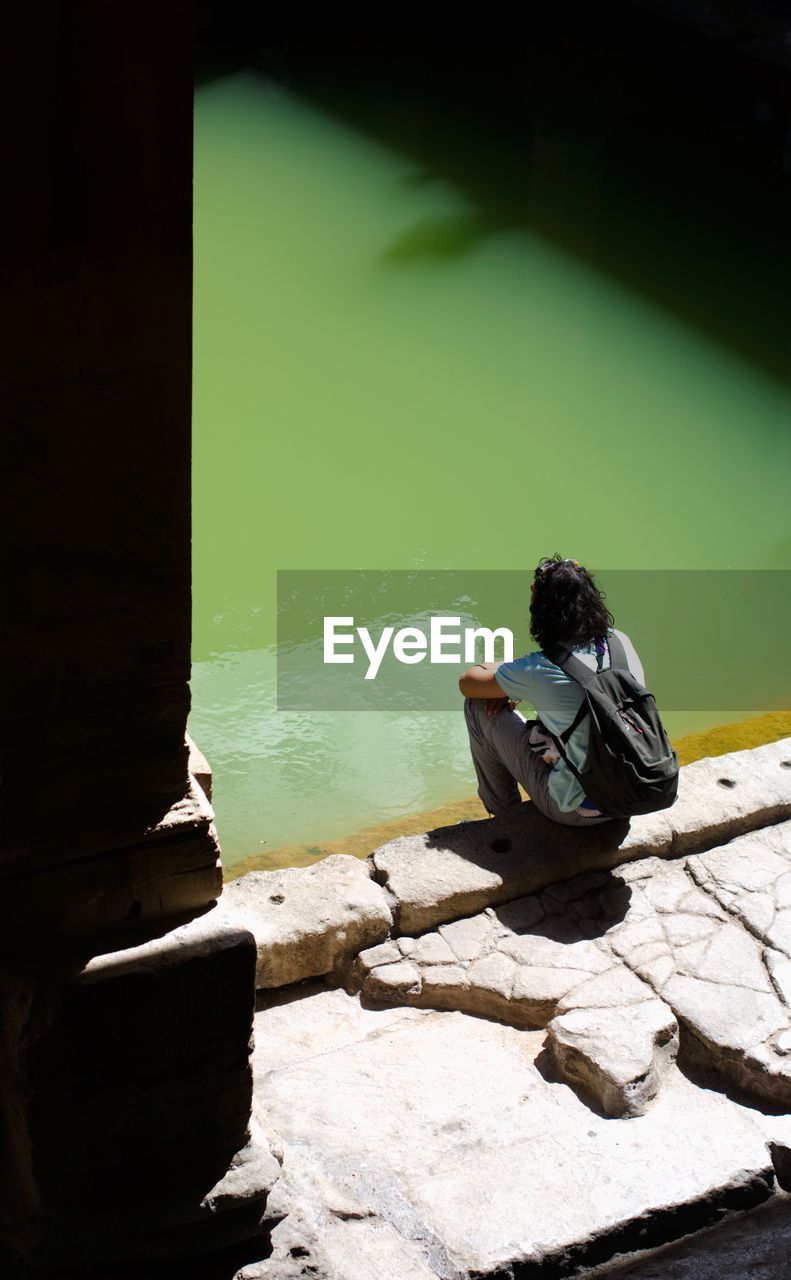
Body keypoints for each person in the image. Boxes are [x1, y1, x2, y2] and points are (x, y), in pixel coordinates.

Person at [458, 555, 645, 826]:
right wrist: (524, 682)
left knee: (477, 707)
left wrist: (518, 675)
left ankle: (505, 819)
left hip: (580, 811)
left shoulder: (540, 669)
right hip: (636, 790)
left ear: (543, 611)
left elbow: (468, 683)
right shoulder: (619, 642)